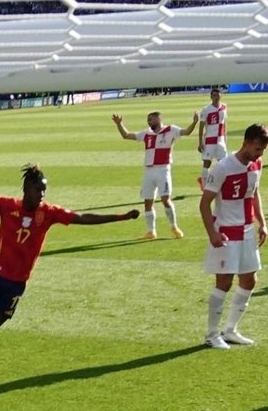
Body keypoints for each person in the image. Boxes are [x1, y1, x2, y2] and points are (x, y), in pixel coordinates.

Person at [0, 163, 140, 378]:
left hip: (17, 283)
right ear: (26, 189)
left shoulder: (49, 213)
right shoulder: (6, 206)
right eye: (38, 189)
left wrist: (121, 217)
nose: (42, 194)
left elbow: (82, 218)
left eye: (44, 190)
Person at [200, 122, 268, 350]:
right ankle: (211, 334)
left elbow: (255, 193)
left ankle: (230, 330)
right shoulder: (223, 168)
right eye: (258, 149)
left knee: (250, 280)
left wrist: (262, 223)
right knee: (224, 282)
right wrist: (212, 234)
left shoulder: (256, 164)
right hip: (226, 234)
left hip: (247, 231)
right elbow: (204, 203)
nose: (260, 154)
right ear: (246, 143)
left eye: (263, 150)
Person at [112, 109, 199, 240]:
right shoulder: (146, 133)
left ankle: (174, 227)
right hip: (148, 171)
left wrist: (194, 122)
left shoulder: (170, 130)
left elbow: (186, 132)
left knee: (165, 200)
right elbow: (127, 135)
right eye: (148, 119)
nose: (148, 121)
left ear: (158, 119)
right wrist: (119, 124)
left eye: (151, 119)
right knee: (147, 202)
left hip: (163, 170)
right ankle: (151, 231)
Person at [197, 87, 228, 191]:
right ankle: (204, 185)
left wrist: (225, 137)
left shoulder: (224, 107)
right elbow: (201, 127)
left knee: (223, 163)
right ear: (211, 97)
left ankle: (223, 185)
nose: (216, 97)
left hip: (221, 140)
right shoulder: (206, 110)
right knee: (207, 163)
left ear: (221, 96)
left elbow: (224, 123)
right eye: (214, 96)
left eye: (218, 95)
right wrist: (200, 142)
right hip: (209, 140)